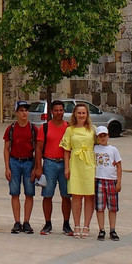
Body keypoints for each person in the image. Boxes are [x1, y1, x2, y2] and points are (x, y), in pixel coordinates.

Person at [34, 99, 73, 235]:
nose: (58, 113)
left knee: (66, 195)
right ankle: (48, 223)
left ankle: (66, 224)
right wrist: (38, 167)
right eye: (56, 110)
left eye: (61, 110)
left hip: (65, 163)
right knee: (47, 195)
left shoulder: (68, 127)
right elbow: (38, 149)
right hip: (49, 163)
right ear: (51, 112)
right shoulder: (44, 128)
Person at [59, 101, 96, 238]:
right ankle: (76, 225)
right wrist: (67, 168)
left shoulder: (92, 129)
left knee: (89, 196)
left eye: (84, 113)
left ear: (87, 115)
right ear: (75, 114)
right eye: (79, 113)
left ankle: (86, 226)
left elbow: (100, 145)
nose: (81, 115)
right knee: (76, 196)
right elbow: (66, 150)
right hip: (75, 164)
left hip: (89, 164)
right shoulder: (70, 130)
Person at [3, 100, 37, 233]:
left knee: (29, 192)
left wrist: (36, 167)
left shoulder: (33, 129)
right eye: (22, 110)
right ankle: (17, 221)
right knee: (15, 192)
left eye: (26, 111)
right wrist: (7, 167)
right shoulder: (11, 129)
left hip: (29, 162)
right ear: (16, 112)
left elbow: (37, 149)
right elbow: (6, 148)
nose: (24, 113)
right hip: (14, 162)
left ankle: (26, 221)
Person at [93, 125, 122, 241]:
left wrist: (119, 182)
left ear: (108, 136)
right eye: (100, 136)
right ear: (97, 137)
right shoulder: (94, 149)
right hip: (98, 179)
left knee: (112, 207)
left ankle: (112, 229)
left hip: (111, 180)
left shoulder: (113, 150)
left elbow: (119, 166)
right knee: (100, 207)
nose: (103, 138)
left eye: (104, 135)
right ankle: (101, 229)